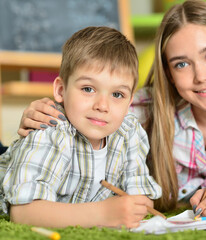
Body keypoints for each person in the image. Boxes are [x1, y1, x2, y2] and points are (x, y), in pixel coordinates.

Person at [15, 0, 206, 216]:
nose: (202, 76)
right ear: (169, 73)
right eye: (182, 64)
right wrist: (52, 110)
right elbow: (88, 109)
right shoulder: (140, 108)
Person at [0, 26, 162, 228]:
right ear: (60, 90)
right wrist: (102, 214)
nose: (102, 106)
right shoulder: (50, 132)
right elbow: (23, 213)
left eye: (117, 94)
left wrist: (137, 204)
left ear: (130, 102)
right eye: (88, 89)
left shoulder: (129, 133)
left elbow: (142, 197)